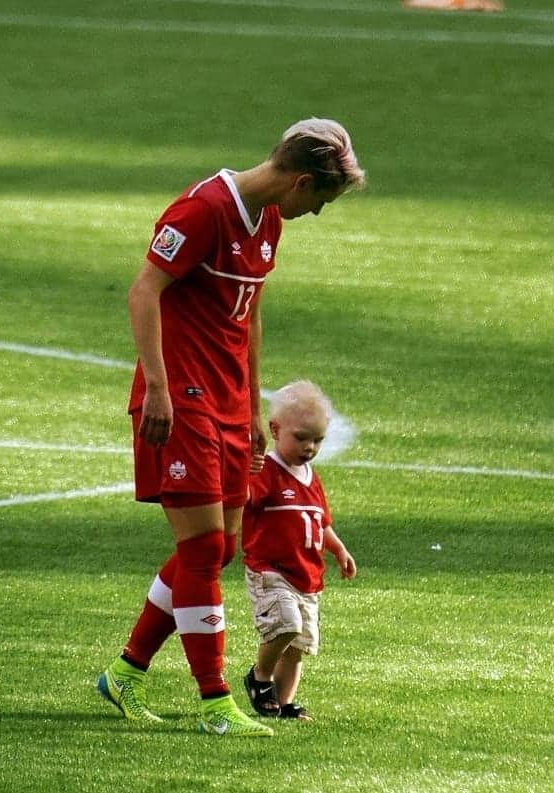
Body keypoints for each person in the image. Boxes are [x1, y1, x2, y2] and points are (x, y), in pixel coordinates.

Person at [97, 119, 366, 738]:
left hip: (226, 405)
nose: (317, 213)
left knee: (219, 548)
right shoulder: (202, 212)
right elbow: (143, 292)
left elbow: (251, 317)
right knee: (199, 550)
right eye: (321, 200)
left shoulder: (268, 220)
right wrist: (159, 389)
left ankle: (125, 674)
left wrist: (250, 407)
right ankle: (216, 701)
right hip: (182, 402)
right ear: (300, 181)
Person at [242, 381, 357, 722]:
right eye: (302, 437)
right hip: (271, 570)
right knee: (286, 625)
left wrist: (338, 549)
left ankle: (282, 703)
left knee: (298, 648)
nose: (310, 447)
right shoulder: (266, 472)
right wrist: (240, 476)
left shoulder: (311, 477)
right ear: (275, 430)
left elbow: (319, 522)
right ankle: (259, 676)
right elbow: (244, 501)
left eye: (318, 440)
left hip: (307, 575)